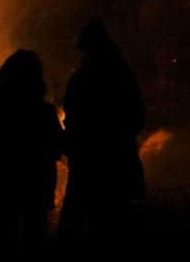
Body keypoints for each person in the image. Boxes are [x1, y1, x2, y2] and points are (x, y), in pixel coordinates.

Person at [0, 49, 63, 262]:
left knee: (4, 234)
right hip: (37, 180)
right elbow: (57, 145)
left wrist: (2, 143)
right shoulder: (42, 109)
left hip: (5, 178)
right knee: (36, 236)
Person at [59, 19, 145, 244]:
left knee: (84, 225)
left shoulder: (86, 77)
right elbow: (137, 117)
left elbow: (72, 115)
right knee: (110, 227)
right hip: (112, 161)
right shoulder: (121, 74)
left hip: (94, 162)